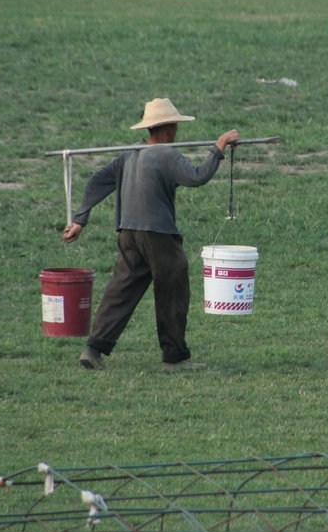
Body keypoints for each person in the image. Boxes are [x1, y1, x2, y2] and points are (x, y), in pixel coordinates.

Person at [63, 98, 240, 372]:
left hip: (128, 233)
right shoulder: (167, 155)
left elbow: (96, 181)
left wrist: (79, 220)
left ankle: (94, 348)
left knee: (121, 291)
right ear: (168, 128)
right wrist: (218, 147)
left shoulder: (129, 155)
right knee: (173, 289)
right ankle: (174, 357)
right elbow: (197, 177)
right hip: (158, 234)